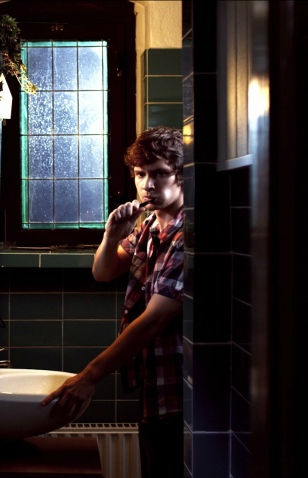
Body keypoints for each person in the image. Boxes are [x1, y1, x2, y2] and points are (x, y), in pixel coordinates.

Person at [41, 126, 185, 478]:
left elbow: (154, 320)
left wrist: (90, 376)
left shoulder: (187, 236)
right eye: (140, 174)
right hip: (155, 386)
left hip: (181, 393)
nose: (148, 185)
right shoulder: (149, 226)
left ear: (181, 176)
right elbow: (103, 272)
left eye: (159, 173)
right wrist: (110, 236)